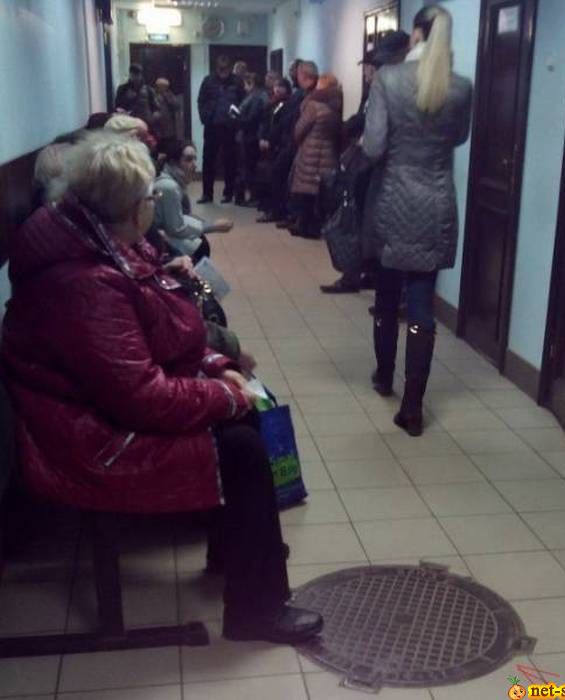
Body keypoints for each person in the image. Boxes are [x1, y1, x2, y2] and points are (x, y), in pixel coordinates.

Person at [1, 131, 323, 644]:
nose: (155, 201)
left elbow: (158, 335)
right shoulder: (88, 281)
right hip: (88, 437)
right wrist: (224, 393)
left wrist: (215, 364)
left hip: (93, 405)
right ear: (132, 209)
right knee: (241, 444)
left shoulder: (97, 240)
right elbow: (141, 396)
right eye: (150, 195)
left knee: (242, 417)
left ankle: (237, 553)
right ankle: (256, 611)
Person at [362, 5, 472, 436]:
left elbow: (374, 147)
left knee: (387, 295)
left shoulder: (389, 80)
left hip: (393, 199)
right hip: (437, 202)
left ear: (416, 34)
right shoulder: (460, 88)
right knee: (422, 304)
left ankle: (383, 374)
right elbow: (458, 137)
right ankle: (412, 406)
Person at [321, 30, 410, 295]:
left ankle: (363, 275)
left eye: (373, 67)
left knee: (367, 224)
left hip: (378, 167)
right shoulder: (374, 91)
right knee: (357, 220)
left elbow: (374, 133)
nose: (368, 72)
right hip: (366, 164)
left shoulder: (391, 90)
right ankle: (359, 272)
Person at [153, 139, 233, 261]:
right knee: (199, 246)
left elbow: (180, 217)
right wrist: (213, 227)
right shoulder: (169, 186)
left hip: (161, 235)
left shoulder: (173, 182)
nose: (195, 165)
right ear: (173, 162)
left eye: (195, 159)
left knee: (199, 242)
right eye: (188, 159)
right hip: (157, 241)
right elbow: (176, 229)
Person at [290, 72, 343, 239]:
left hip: (310, 151)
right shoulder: (336, 105)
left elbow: (299, 130)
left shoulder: (314, 105)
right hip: (328, 153)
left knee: (306, 192)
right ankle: (315, 227)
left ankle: (304, 226)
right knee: (319, 194)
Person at [274, 60, 318, 230]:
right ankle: (290, 215)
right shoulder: (302, 93)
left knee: (288, 179)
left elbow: (297, 120)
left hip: (297, 143)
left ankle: (289, 215)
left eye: (296, 72)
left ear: (302, 75)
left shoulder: (307, 95)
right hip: (294, 141)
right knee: (288, 179)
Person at [197, 55, 245, 204]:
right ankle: (207, 194)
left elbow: (243, 102)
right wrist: (205, 118)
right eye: (220, 68)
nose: (222, 71)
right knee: (208, 160)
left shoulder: (237, 81)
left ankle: (228, 193)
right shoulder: (208, 80)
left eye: (225, 68)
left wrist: (237, 120)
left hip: (230, 127)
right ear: (216, 68)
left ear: (229, 68)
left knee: (230, 161)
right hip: (212, 126)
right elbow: (201, 100)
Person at [256, 78, 293, 223]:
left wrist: (269, 139)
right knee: (268, 178)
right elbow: (264, 122)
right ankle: (269, 208)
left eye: (280, 86)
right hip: (268, 145)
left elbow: (280, 126)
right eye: (276, 86)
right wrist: (261, 137)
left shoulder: (288, 105)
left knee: (276, 179)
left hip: (279, 146)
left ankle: (276, 211)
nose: (277, 89)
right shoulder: (271, 104)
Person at [234, 73, 268, 206]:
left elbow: (252, 119)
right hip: (250, 135)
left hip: (251, 136)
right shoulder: (256, 96)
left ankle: (253, 197)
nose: (244, 87)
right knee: (248, 167)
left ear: (252, 84)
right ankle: (250, 196)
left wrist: (237, 117)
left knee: (249, 168)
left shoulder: (257, 97)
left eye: (245, 84)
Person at [154, 77, 181, 142]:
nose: (163, 88)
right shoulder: (153, 95)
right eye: (161, 86)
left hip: (169, 129)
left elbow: (177, 105)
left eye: (165, 87)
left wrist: (168, 97)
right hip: (157, 128)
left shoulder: (170, 95)